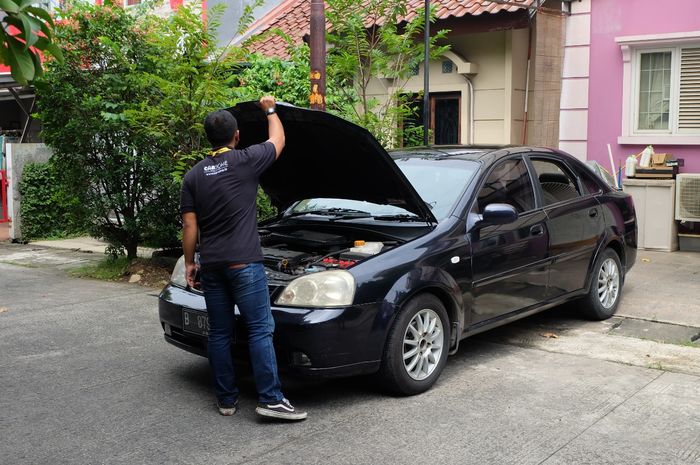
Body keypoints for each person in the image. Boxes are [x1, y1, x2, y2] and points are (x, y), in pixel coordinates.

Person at [180, 96, 307, 421]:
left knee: (220, 333)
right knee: (260, 329)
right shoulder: (245, 160)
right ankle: (271, 399)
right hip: (244, 265)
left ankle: (226, 400)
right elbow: (278, 140)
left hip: (212, 266)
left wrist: (191, 262)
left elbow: (190, 225)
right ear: (237, 136)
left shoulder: (193, 176)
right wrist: (270, 109)